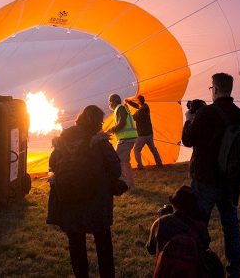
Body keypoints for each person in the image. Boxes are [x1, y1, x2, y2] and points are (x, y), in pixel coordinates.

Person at [47, 105, 122, 278]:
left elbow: (53, 164)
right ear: (95, 121)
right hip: (97, 201)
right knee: (103, 243)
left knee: (76, 244)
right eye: (100, 121)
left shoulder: (62, 141)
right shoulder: (100, 142)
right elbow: (116, 170)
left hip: (70, 201)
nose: (102, 124)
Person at [182, 73, 240, 278]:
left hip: (206, 178)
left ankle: (198, 267)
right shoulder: (239, 114)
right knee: (231, 226)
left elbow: (188, 140)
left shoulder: (207, 113)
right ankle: (235, 270)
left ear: (215, 89)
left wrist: (189, 120)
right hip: (230, 179)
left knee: (198, 226)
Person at [146, 185, 209, 256]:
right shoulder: (200, 225)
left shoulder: (163, 222)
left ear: (175, 205)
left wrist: (162, 218)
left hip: (168, 265)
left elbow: (151, 249)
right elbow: (205, 245)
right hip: (195, 265)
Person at [107, 93, 138, 188]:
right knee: (125, 162)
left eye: (110, 102)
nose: (109, 104)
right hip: (129, 138)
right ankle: (130, 184)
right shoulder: (122, 108)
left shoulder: (119, 108)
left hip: (126, 139)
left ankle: (123, 184)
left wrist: (111, 130)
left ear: (113, 102)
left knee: (117, 161)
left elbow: (122, 123)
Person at [125, 95, 163, 169]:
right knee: (153, 149)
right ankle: (159, 163)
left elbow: (132, 117)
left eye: (137, 100)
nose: (136, 101)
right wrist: (129, 102)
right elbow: (137, 106)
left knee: (136, 150)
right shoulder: (146, 107)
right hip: (149, 133)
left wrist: (126, 108)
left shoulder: (140, 112)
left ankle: (140, 166)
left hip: (142, 135)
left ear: (139, 101)